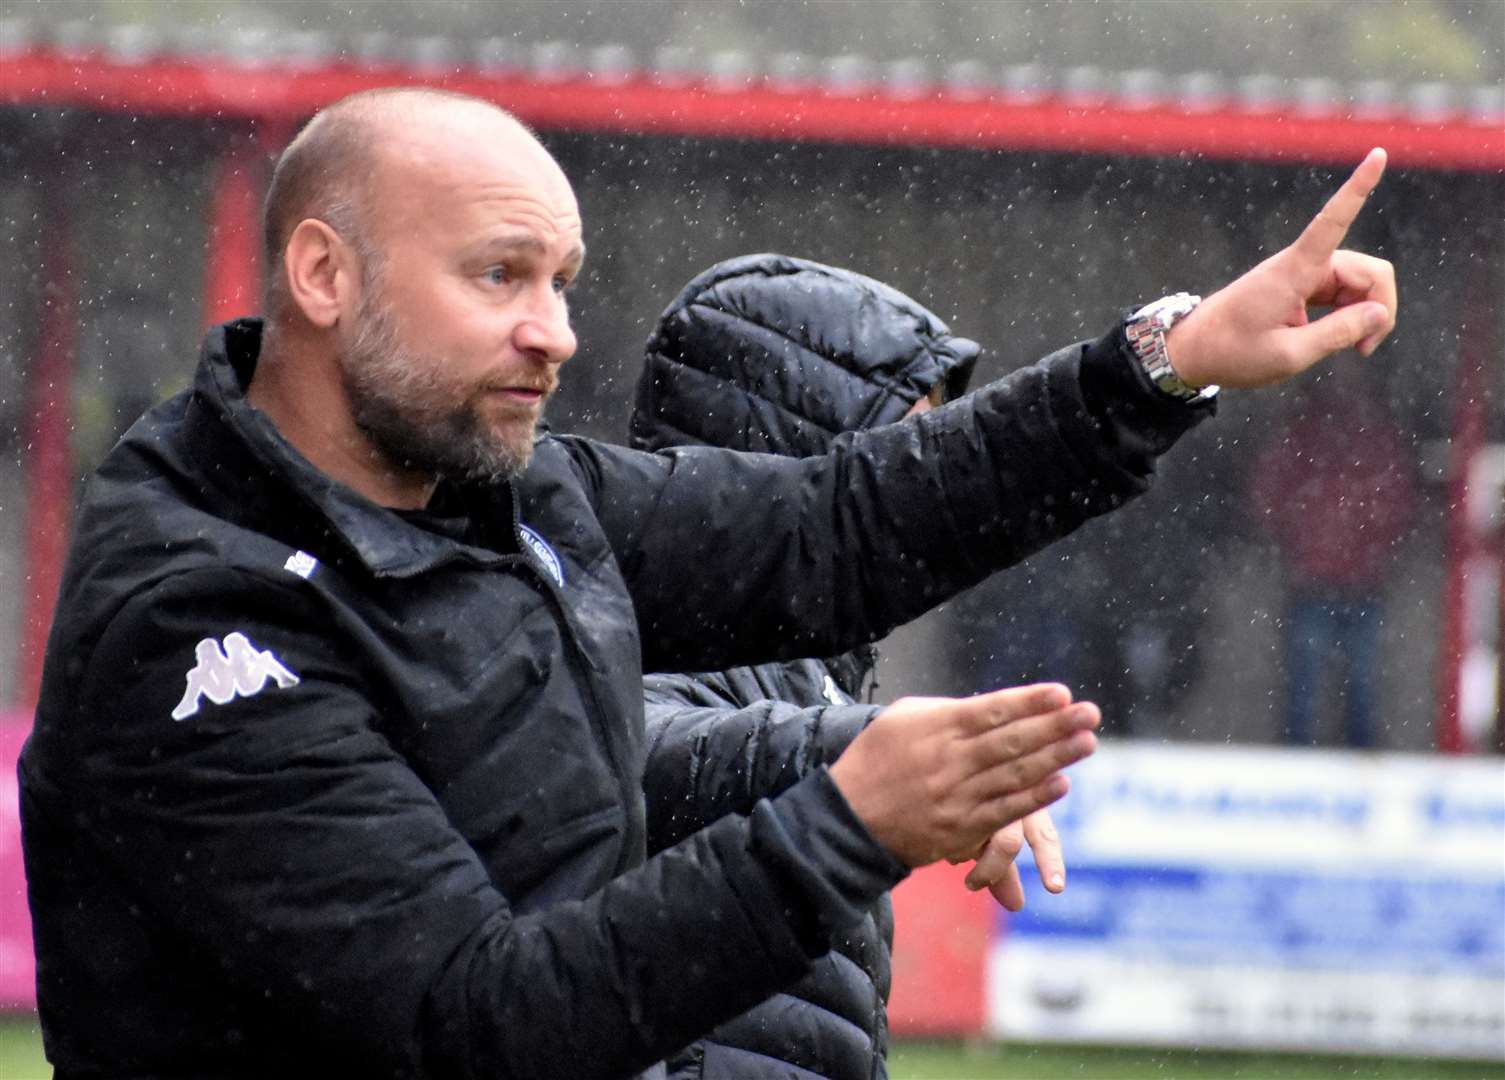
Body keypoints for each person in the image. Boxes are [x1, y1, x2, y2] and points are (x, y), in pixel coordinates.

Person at [18, 86, 1396, 1079]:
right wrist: (854, 811)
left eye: (562, 281)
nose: (551, 333)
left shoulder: (514, 492)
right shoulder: (201, 624)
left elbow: (839, 528)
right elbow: (482, 1024)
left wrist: (1169, 359)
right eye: (500, 276)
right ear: (321, 273)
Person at [630, 252, 1037, 1080]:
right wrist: (865, 745)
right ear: (798, 452)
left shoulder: (805, 660)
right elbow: (628, 752)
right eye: (902, 455)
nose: (924, 491)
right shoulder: (648, 620)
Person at [1249, 368, 1417, 746]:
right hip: (1323, 582)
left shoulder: (1365, 441)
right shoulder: (1309, 439)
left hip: (1349, 582)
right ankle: (1316, 763)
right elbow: (1270, 494)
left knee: (1349, 684)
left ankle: (1341, 764)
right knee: (1317, 685)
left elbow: (1396, 504)